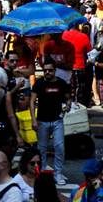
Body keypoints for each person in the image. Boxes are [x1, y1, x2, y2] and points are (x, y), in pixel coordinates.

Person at [32, 57, 71, 185]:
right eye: (45, 70)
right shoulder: (38, 83)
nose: (47, 72)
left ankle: (58, 173)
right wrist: (33, 119)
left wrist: (68, 105)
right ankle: (42, 172)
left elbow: (68, 98)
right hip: (42, 121)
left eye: (50, 70)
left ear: (55, 71)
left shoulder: (61, 83)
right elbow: (32, 102)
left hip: (57, 120)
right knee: (41, 149)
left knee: (59, 147)